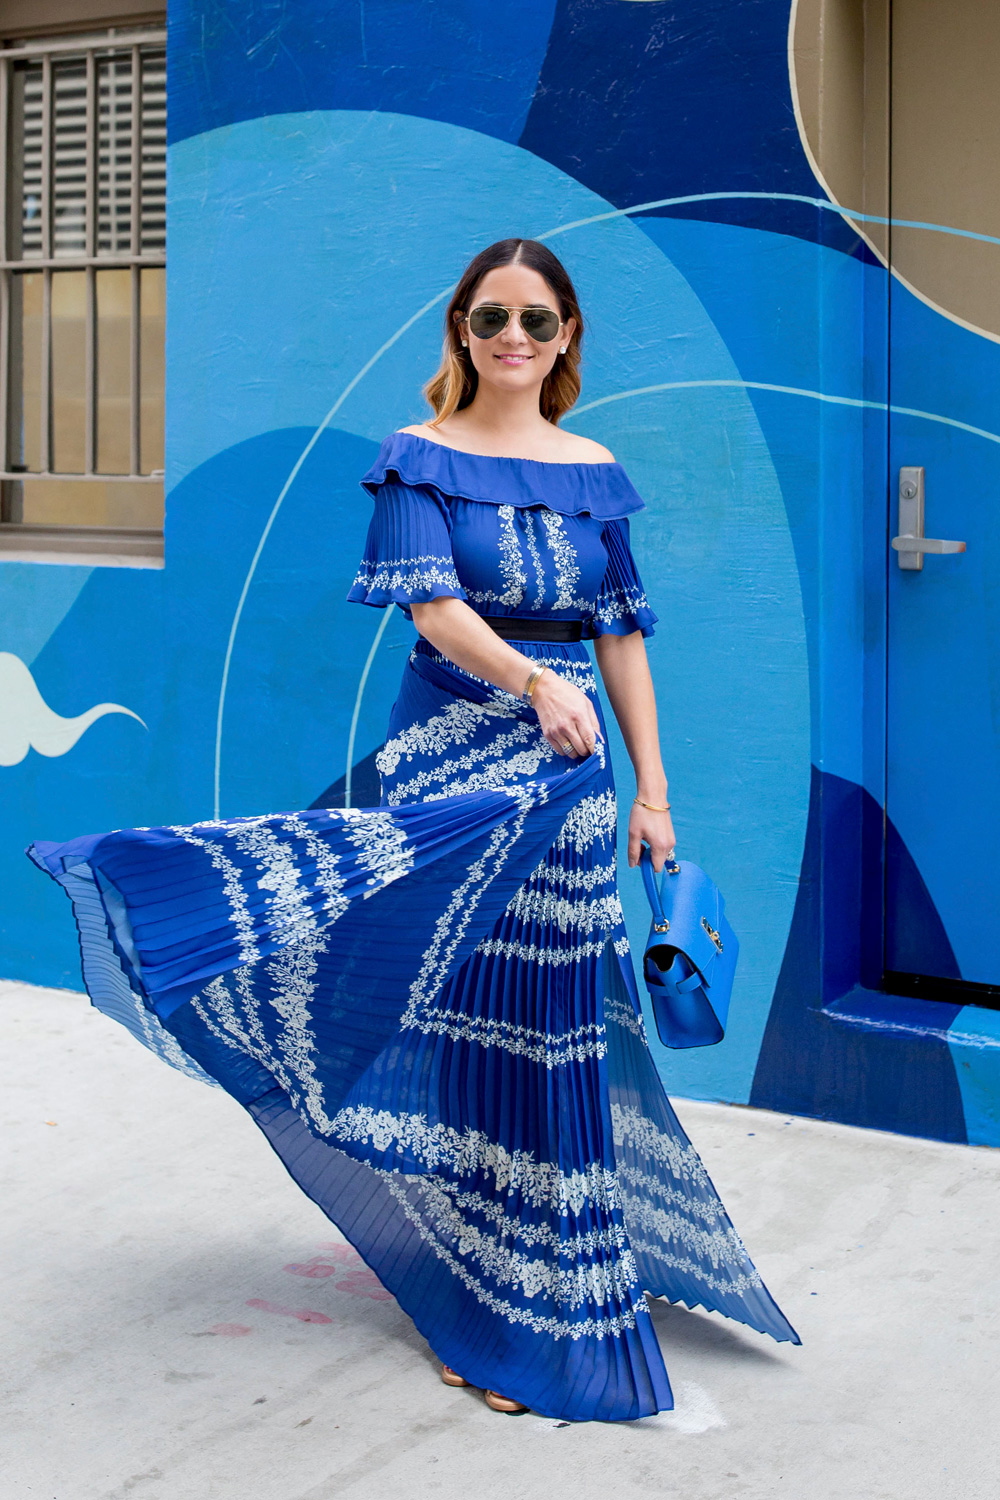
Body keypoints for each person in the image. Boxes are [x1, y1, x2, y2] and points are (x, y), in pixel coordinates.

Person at [29, 238, 798, 1424]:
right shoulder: (418, 460)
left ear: (565, 338)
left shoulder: (595, 469)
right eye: (491, 317)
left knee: (556, 1028)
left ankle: (563, 1267)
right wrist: (532, 687)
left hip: (573, 790)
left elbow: (622, 636)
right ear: (460, 330)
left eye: (537, 321)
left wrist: (654, 790)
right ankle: (481, 1293)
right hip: (451, 781)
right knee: (463, 1023)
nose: (513, 339)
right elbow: (431, 606)